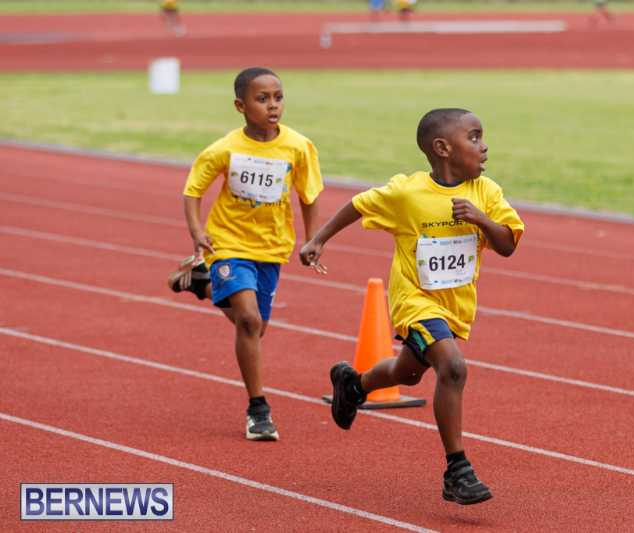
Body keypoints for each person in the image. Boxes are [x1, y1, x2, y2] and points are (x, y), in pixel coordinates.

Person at [299, 108, 524, 505]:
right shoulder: (407, 193)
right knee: (453, 368)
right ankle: (457, 470)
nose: (484, 146)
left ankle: (353, 385)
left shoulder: (486, 192)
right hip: (414, 301)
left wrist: (481, 220)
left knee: (408, 373)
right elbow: (360, 204)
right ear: (443, 148)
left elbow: (507, 244)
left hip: (455, 306)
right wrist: (319, 239)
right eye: (474, 137)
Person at [168, 67, 324, 441]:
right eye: (262, 99)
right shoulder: (225, 149)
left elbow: (309, 195)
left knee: (256, 328)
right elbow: (193, 190)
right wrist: (197, 232)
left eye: (278, 98)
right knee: (250, 322)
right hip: (227, 243)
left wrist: (313, 240)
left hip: (271, 247)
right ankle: (258, 410)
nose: (273, 106)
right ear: (241, 106)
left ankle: (203, 285)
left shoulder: (298, 147)